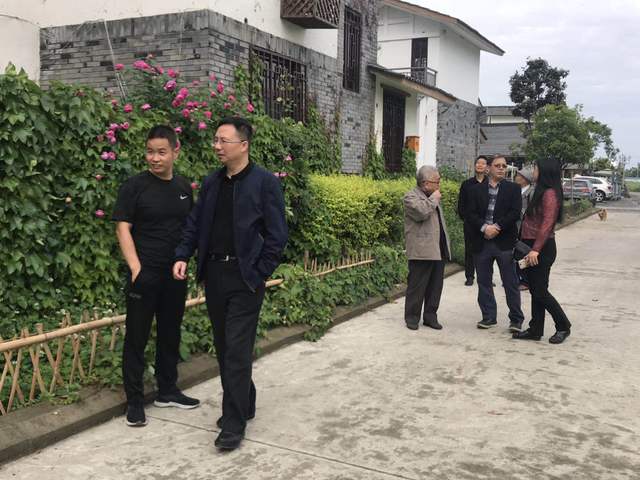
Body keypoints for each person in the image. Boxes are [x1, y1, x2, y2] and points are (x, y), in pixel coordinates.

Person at [173, 117, 288, 451]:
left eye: (223, 141)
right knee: (225, 347)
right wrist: (183, 254)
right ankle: (245, 399)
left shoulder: (265, 183)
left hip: (245, 277)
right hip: (215, 275)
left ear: (243, 145)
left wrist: (259, 272)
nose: (217, 146)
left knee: (236, 349)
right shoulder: (212, 182)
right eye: (216, 140)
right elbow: (195, 223)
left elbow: (277, 235)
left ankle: (233, 423)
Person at [113, 125, 200, 428]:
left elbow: (188, 228)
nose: (154, 158)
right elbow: (122, 227)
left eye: (161, 152)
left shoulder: (183, 187)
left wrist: (184, 260)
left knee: (170, 332)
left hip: (174, 274)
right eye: (150, 151)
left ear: (176, 151)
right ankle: (135, 402)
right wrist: (135, 267)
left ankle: (167, 390)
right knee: (136, 338)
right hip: (144, 274)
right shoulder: (134, 187)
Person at [513, 158, 572, 344]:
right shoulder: (539, 190)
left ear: (545, 171)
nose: (533, 171)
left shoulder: (550, 193)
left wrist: (536, 250)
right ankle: (535, 329)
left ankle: (563, 326)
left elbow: (547, 224)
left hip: (541, 248)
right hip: (530, 245)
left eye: (536, 168)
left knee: (539, 291)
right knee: (536, 290)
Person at [466, 154, 525, 332]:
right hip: (482, 241)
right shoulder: (475, 190)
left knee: (510, 282)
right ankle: (489, 317)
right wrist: (485, 228)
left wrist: (497, 227)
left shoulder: (513, 189)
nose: (501, 168)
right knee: (484, 282)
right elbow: (470, 213)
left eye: (504, 166)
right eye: (497, 165)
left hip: (504, 242)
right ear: (488, 168)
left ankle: (516, 319)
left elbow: (515, 212)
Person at [403, 166, 451, 331]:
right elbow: (421, 213)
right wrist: (434, 200)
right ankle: (412, 317)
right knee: (417, 286)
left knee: (435, 286)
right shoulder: (411, 197)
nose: (439, 185)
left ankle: (430, 316)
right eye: (436, 182)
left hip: (438, 248)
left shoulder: (431, 196)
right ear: (425, 183)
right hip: (421, 250)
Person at [457, 156, 488, 286]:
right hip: (470, 223)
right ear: (474, 166)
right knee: (469, 250)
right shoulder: (467, 184)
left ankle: (486, 276)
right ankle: (469, 276)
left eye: (483, 163)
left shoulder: (490, 184)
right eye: (478, 163)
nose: (480, 165)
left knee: (487, 251)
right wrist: (465, 218)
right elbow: (461, 204)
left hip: (487, 224)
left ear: (487, 167)